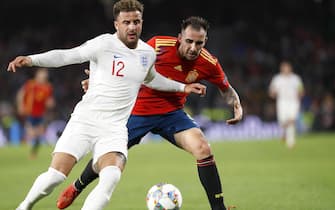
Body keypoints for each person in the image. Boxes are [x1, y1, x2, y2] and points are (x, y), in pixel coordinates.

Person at [7, 1, 206, 210]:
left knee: (110, 176)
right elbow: (67, 55)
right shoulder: (102, 44)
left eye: (136, 21)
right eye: (126, 22)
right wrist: (31, 60)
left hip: (115, 128)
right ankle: (25, 205)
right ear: (116, 24)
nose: (132, 27)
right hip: (85, 121)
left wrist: (183, 87)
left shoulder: (147, 54)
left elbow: (151, 78)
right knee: (55, 177)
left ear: (142, 22)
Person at [57, 16, 242, 210]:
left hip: (172, 114)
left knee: (203, 148)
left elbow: (226, 89)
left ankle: (219, 208)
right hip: (138, 112)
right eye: (189, 41)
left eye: (199, 43)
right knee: (109, 157)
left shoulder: (208, 62)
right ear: (180, 37)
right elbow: (124, 64)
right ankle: (77, 187)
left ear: (205, 42)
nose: (193, 48)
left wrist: (236, 104)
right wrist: (97, 79)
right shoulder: (158, 45)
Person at [16, 67, 55, 159]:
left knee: (39, 134)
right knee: (33, 133)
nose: (44, 75)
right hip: (30, 112)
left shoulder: (48, 87)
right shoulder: (31, 84)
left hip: (40, 113)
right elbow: (21, 94)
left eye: (45, 73)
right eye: (42, 73)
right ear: (37, 74)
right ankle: (25, 141)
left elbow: (48, 100)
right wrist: (20, 105)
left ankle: (33, 153)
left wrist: (50, 103)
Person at [269, 60, 304, 149]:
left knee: (292, 120)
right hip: (282, 102)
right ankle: (284, 132)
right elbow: (272, 91)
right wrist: (273, 93)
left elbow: (301, 90)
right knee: (283, 121)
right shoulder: (277, 79)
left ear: (290, 68)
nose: (285, 69)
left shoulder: (296, 78)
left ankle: (290, 142)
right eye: (284, 68)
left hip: (293, 102)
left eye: (287, 67)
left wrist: (300, 95)